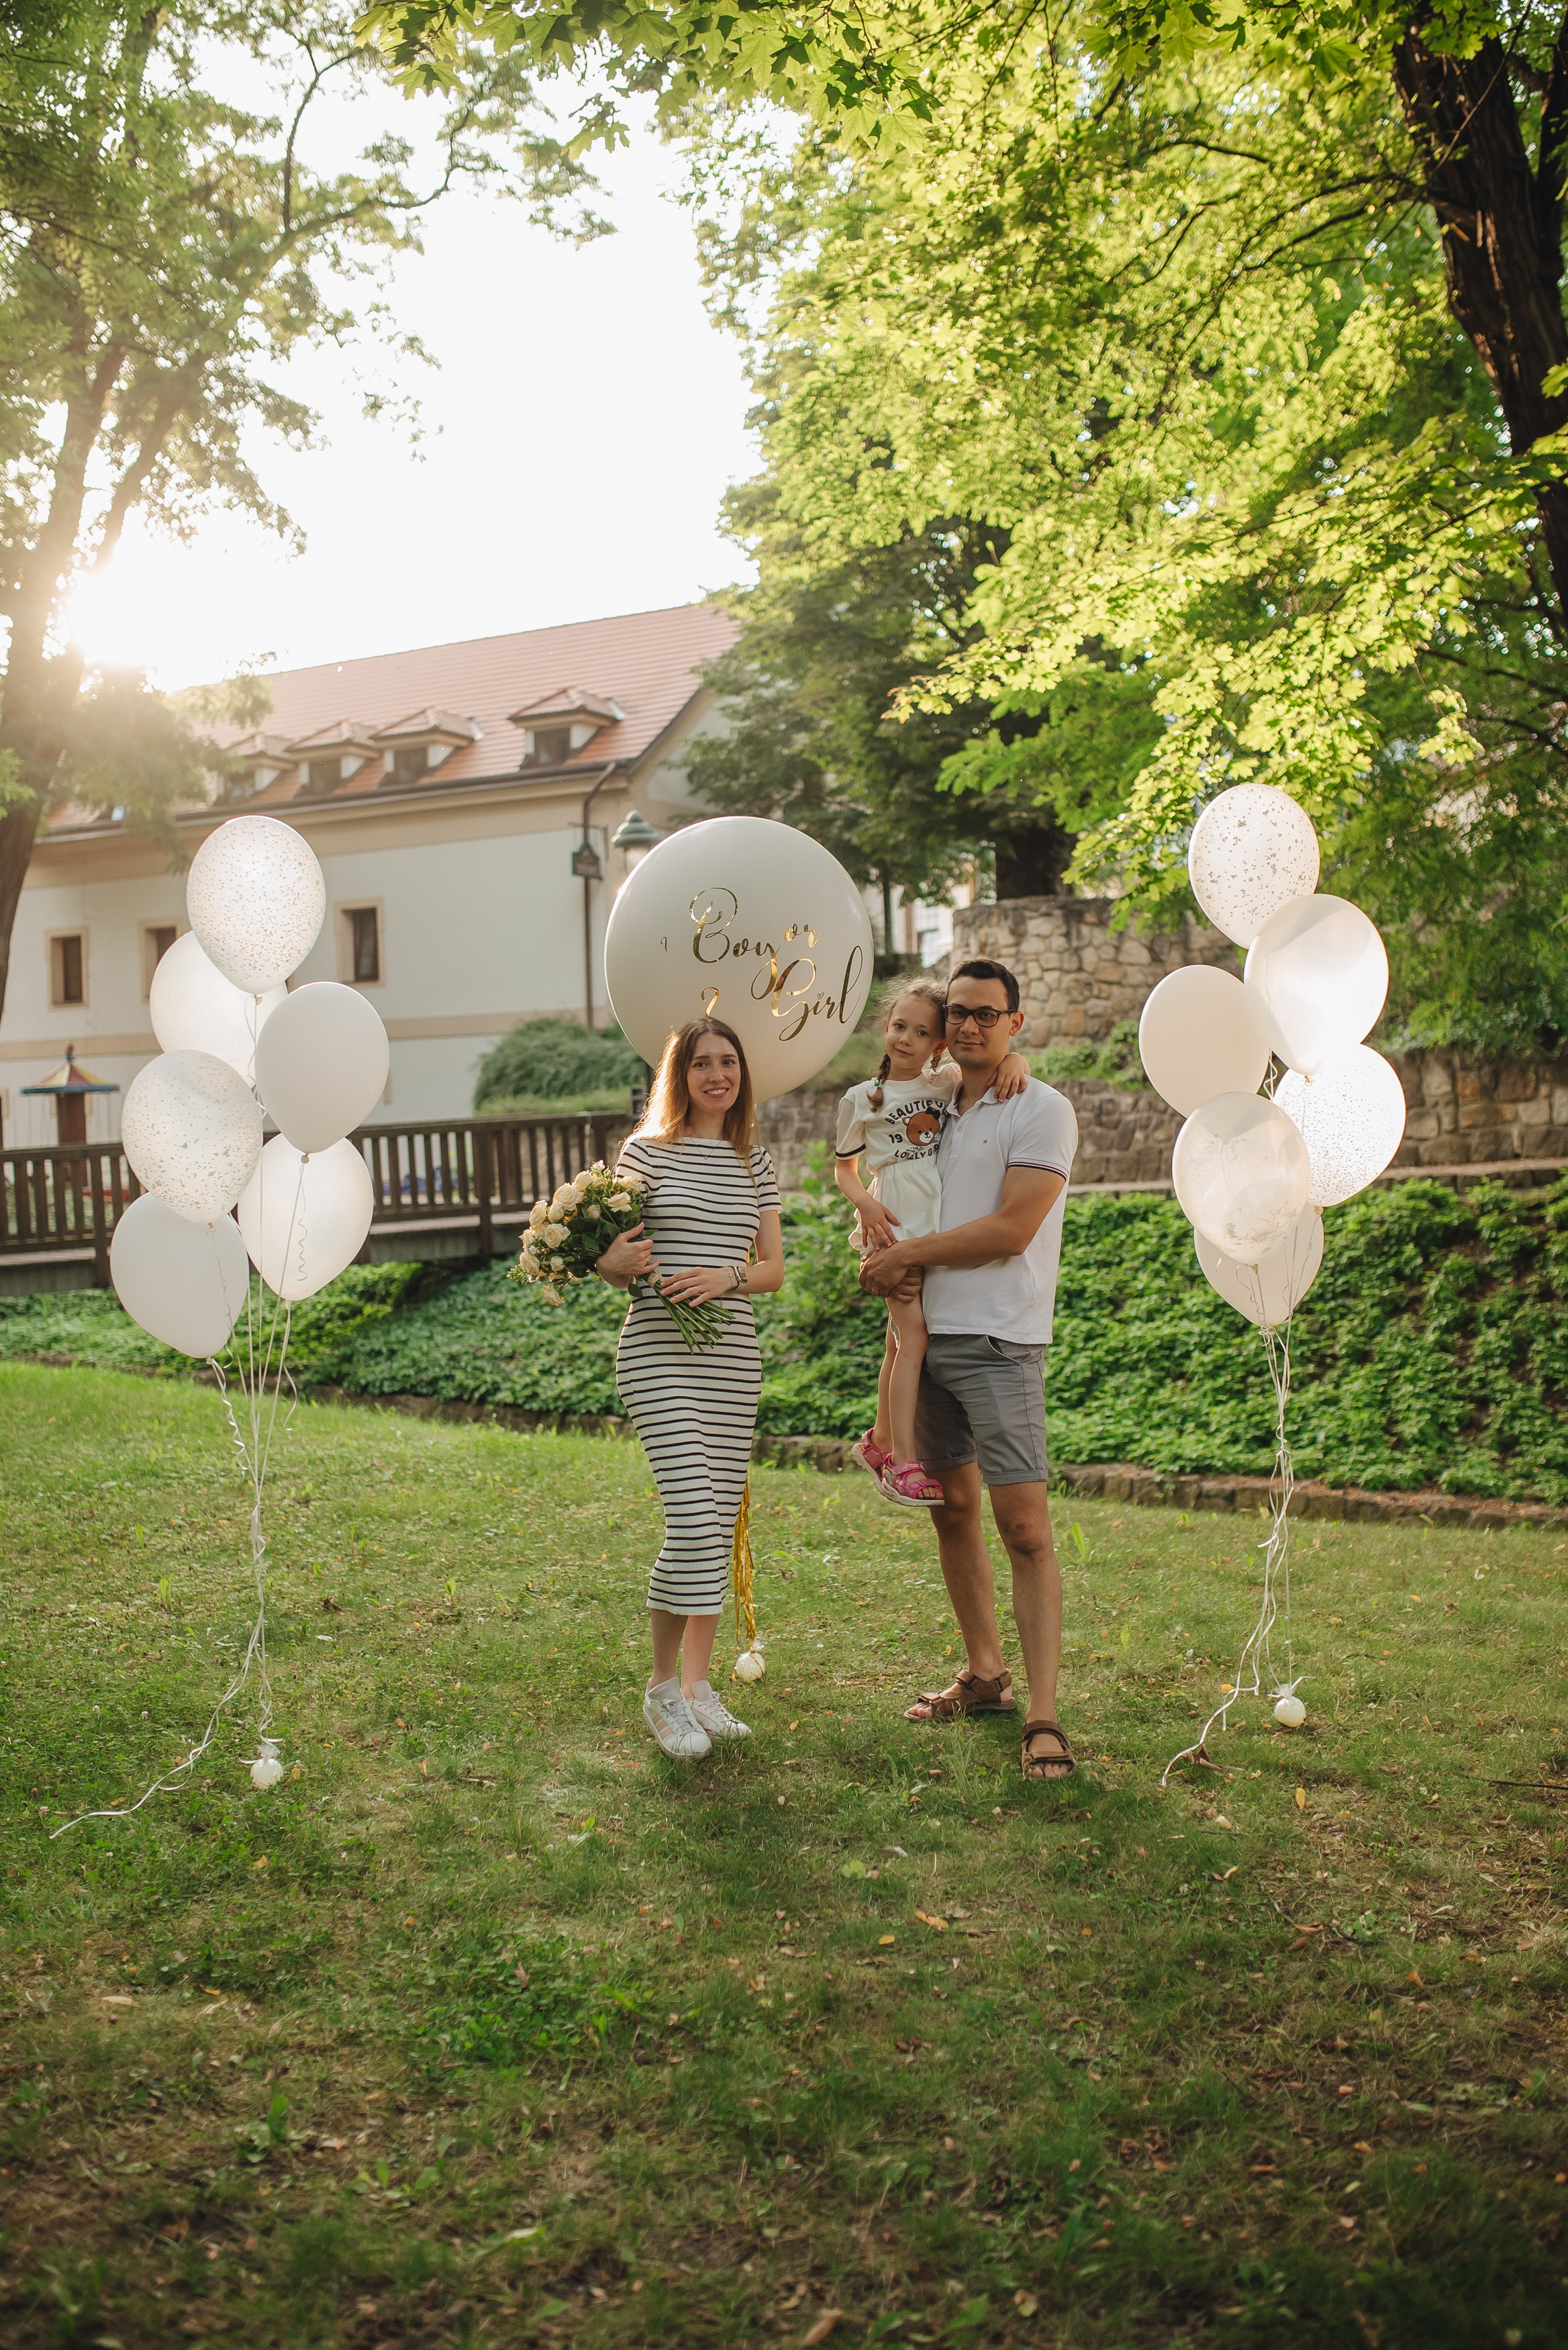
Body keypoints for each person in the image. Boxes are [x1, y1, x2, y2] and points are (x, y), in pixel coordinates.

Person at [860, 958, 1079, 1781]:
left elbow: (1013, 1228)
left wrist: (907, 1253)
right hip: (919, 1335)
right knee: (950, 1511)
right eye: (958, 1011)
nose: (969, 1025)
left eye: (988, 1014)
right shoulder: (923, 1103)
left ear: (1014, 1023)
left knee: (1024, 1528)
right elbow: (885, 1181)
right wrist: (878, 1249)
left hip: (998, 1340)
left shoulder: (1040, 1107)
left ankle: (1044, 1715)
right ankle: (984, 1674)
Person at [594, 1018, 785, 1761]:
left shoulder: (753, 1160)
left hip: (731, 1360)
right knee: (696, 1523)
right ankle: (661, 1689)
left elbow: (771, 1268)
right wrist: (609, 1262)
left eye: (728, 1061)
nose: (717, 1074)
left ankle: (700, 1687)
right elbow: (613, 1261)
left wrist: (725, 1276)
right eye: (702, 1063)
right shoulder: (644, 1153)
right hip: (657, 1352)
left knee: (716, 1520)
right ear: (679, 1074)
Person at [834, 975, 1030, 1507]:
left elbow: (998, 1066)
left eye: (921, 1032)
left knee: (898, 1339)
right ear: (885, 1027)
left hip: (930, 1220)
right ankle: (902, 1461)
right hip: (891, 1222)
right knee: (913, 1339)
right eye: (899, 1026)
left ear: (938, 1044)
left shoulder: (943, 1084)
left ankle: (879, 1442)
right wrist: (865, 1205)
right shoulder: (861, 1098)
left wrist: (1018, 1061)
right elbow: (845, 1170)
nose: (906, 1039)